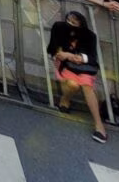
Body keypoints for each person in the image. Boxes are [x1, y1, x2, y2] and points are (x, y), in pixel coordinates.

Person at [46, 11, 107, 143]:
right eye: (69, 21)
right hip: (65, 65)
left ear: (81, 24)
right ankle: (65, 99)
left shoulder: (90, 36)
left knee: (86, 86)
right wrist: (67, 55)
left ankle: (99, 125)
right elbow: (53, 50)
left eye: (74, 23)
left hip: (84, 68)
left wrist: (81, 58)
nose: (70, 25)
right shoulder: (59, 29)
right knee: (73, 84)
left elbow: (92, 57)